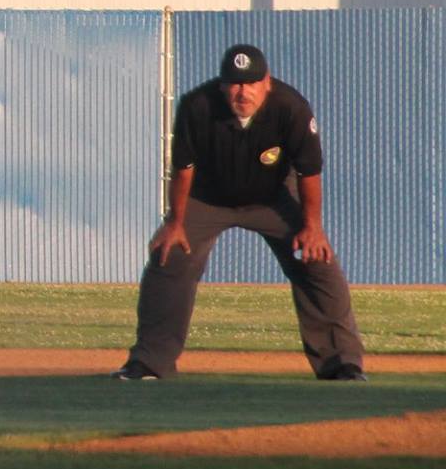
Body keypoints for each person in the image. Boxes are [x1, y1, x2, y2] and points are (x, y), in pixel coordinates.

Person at [115, 43, 366, 381]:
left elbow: (309, 172)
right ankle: (149, 362)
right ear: (223, 86)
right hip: (208, 198)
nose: (242, 92)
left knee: (317, 260)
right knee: (170, 255)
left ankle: (341, 364)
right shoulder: (198, 106)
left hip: (272, 197)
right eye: (234, 83)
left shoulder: (291, 108)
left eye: (250, 83)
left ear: (267, 82)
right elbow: (183, 169)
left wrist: (312, 227)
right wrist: (175, 222)